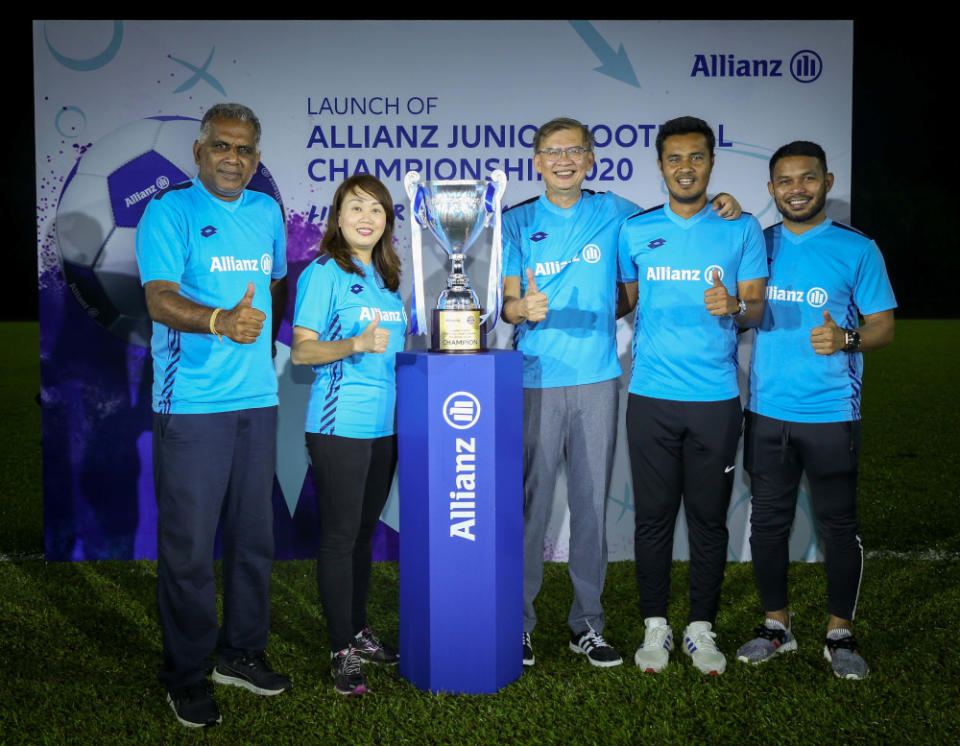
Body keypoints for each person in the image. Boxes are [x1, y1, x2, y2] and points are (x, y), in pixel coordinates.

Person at [502, 116, 741, 668]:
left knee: (590, 505)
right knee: (531, 504)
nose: (563, 160)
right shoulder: (515, 222)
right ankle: (518, 624)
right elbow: (509, 303)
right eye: (551, 151)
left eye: (575, 151)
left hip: (599, 379)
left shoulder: (619, 214)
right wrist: (523, 311)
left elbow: (648, 267)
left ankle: (586, 625)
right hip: (535, 377)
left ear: (591, 160)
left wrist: (723, 202)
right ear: (536, 161)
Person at [135, 102, 291, 728]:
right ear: (199, 153)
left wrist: (251, 332)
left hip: (256, 401)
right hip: (192, 406)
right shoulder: (168, 211)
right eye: (222, 147)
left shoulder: (266, 211)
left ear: (257, 156)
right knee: (190, 551)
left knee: (254, 542)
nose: (234, 159)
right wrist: (220, 322)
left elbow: (275, 283)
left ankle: (241, 653)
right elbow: (160, 298)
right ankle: (188, 673)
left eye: (246, 149)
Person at [735, 141, 895, 680]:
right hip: (766, 412)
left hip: (831, 414)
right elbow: (740, 311)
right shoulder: (756, 244)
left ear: (827, 182)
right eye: (784, 180)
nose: (796, 189)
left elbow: (882, 326)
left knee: (838, 527)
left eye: (807, 179)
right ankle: (775, 626)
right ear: (771, 188)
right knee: (768, 526)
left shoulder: (858, 249)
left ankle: (839, 633)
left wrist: (846, 338)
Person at [618, 115, 767, 676]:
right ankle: (655, 624)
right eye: (675, 158)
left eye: (696, 157)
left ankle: (700, 627)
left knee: (708, 519)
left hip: (715, 400)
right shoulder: (635, 229)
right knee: (653, 518)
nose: (686, 167)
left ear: (711, 162)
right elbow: (625, 300)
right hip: (651, 397)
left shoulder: (741, 228)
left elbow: (754, 307)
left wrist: (735, 307)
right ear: (660, 166)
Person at [291, 174, 406, 696]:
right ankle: (341, 650)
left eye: (377, 210)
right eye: (356, 207)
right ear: (338, 218)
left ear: (386, 222)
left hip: (385, 430)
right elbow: (302, 352)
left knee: (362, 536)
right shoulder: (324, 273)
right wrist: (354, 344)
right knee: (339, 539)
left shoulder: (387, 280)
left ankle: (358, 632)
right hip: (340, 426)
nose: (367, 217)